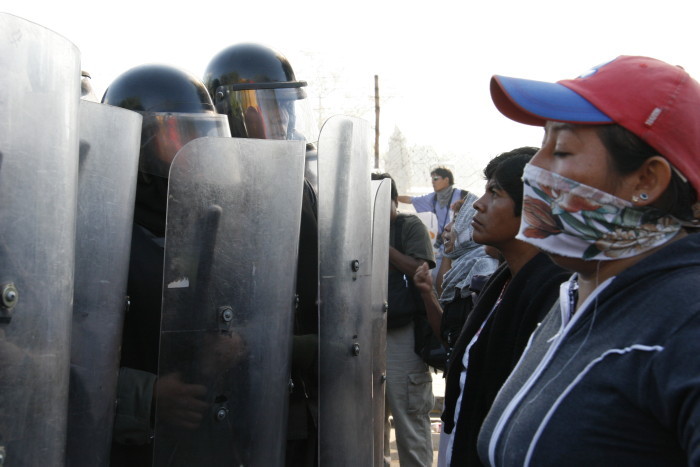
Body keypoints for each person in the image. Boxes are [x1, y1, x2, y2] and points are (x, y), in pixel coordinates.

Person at [478, 56, 700, 466]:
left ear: (646, 180)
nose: (532, 169)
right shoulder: (575, 293)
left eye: (560, 149)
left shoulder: (688, 321)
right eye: (542, 143)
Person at [102, 64, 232, 466]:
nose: (198, 154)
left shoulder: (207, 227)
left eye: (204, 137)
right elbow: (51, 361)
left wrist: (224, 349)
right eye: (183, 138)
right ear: (138, 144)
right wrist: (148, 395)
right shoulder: (93, 234)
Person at [203, 43, 320, 467]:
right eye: (270, 105)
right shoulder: (208, 187)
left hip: (301, 397)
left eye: (286, 105)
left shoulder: (298, 185)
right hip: (235, 402)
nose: (283, 118)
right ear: (232, 111)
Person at [417, 147, 568, 467]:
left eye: (495, 193)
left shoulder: (552, 294)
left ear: (531, 207)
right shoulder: (503, 283)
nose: (480, 205)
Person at [374, 172, 436, 467]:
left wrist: (379, 245)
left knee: (409, 419)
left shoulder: (408, 226)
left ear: (394, 201)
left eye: (378, 201)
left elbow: (419, 269)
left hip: (402, 333)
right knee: (372, 423)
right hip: (367, 333)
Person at [414, 195, 499, 362]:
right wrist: (427, 293)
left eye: (457, 221)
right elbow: (449, 336)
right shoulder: (463, 267)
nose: (447, 227)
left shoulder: (484, 269)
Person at [398, 167, 469, 280]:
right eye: (432, 179)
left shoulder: (463, 195)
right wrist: (392, 197)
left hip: (461, 245)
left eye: (436, 178)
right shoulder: (433, 198)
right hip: (443, 245)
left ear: (446, 180)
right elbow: (410, 200)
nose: (433, 182)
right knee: (437, 277)